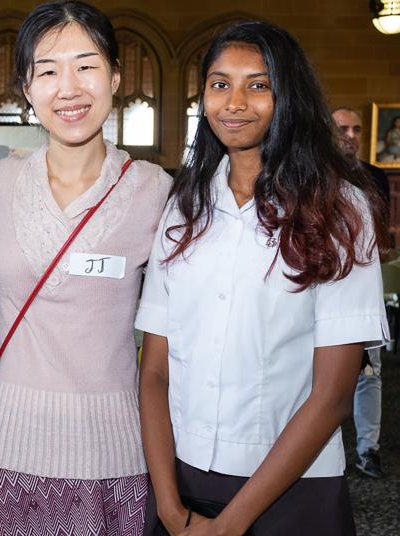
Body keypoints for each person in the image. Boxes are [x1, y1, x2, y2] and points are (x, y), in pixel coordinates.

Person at [137, 22, 388, 536]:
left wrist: (229, 526)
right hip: (180, 480)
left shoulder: (340, 209)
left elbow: (333, 395)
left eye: (258, 85)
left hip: (294, 491)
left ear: (289, 96)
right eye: (219, 83)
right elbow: (156, 370)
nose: (234, 102)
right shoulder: (182, 209)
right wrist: (167, 503)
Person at [0, 2, 172, 535]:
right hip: (2, 444)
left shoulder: (155, 191)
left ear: (116, 77)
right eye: (47, 71)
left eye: (86, 65)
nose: (68, 88)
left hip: (111, 453)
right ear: (26, 88)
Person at [332, 106, 390, 479]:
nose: (350, 136)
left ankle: (368, 449)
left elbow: (382, 232)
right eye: (342, 129)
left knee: (370, 372)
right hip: (321, 284)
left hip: (365, 282)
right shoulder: (310, 174)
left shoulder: (375, 178)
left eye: (356, 129)